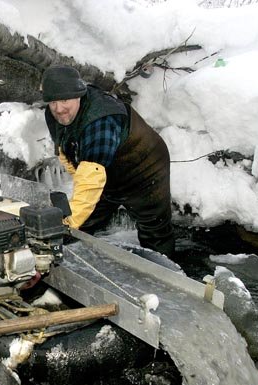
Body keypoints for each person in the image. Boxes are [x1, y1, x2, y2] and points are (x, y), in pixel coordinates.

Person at [41, 65, 175, 256]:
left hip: (144, 169)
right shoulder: (54, 115)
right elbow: (65, 149)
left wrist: (69, 222)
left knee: (154, 230)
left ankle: (164, 278)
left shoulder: (100, 120)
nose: (58, 108)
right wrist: (70, 222)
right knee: (82, 222)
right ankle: (64, 260)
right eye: (53, 102)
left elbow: (91, 178)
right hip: (107, 170)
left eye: (64, 100)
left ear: (78, 95)